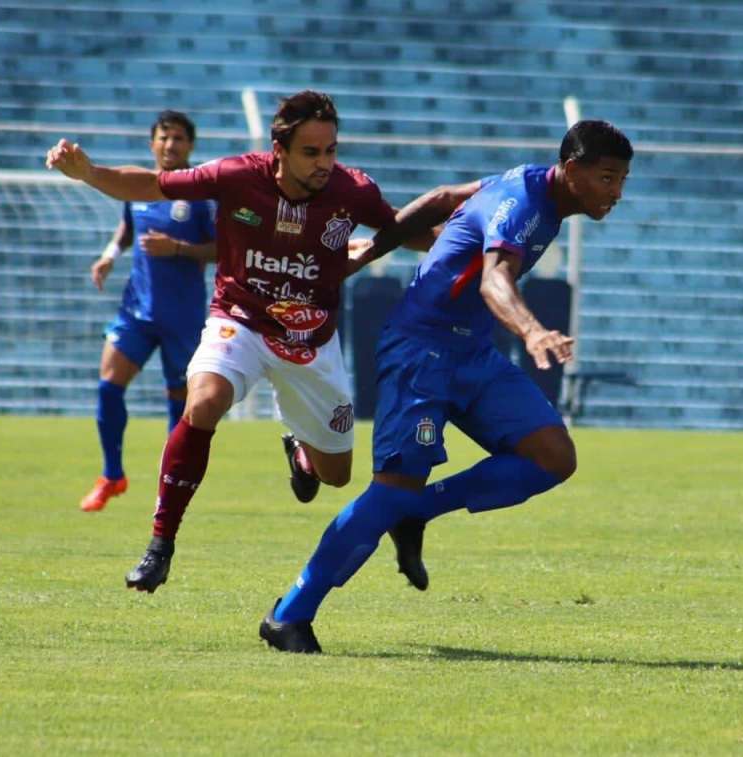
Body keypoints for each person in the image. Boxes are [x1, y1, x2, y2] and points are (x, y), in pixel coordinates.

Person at [46, 90, 480, 593]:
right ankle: (160, 545)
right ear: (280, 149)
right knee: (204, 401)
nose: (324, 163)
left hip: (312, 341)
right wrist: (90, 173)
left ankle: (300, 448)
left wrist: (473, 235)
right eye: (311, 152)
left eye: (331, 150)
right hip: (241, 321)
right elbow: (153, 185)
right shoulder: (235, 175)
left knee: (336, 476)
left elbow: (402, 229)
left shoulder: (352, 190)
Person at [259, 120, 633, 653]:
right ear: (572, 170)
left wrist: (373, 250)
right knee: (391, 488)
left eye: (622, 180)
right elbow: (494, 279)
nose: (616, 193)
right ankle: (288, 615)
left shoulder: (523, 185)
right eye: (607, 178)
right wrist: (531, 330)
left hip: (472, 353)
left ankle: (418, 511)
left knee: (553, 455)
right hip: (421, 351)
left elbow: (439, 199)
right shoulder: (524, 205)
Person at [79, 110, 217, 513]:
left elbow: (224, 250)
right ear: (152, 143)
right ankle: (111, 475)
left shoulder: (202, 195)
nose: (170, 145)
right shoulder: (140, 187)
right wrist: (108, 255)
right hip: (137, 310)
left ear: (190, 145)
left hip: (183, 316)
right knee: (108, 383)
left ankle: (168, 488)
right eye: (163, 137)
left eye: (178, 138)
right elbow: (127, 227)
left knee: (179, 401)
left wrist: (178, 249)